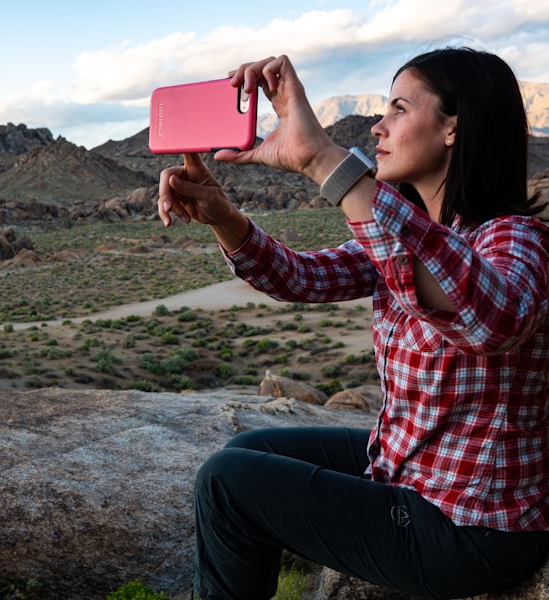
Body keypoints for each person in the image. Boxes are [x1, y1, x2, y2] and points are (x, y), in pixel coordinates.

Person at [158, 47, 549, 600]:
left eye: (398, 108)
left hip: (471, 523)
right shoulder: (410, 231)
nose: (377, 125)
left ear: (453, 129)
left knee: (227, 486)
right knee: (247, 454)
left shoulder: (514, 240)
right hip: (417, 468)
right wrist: (222, 216)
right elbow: (301, 277)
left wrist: (323, 160)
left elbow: (494, 321)